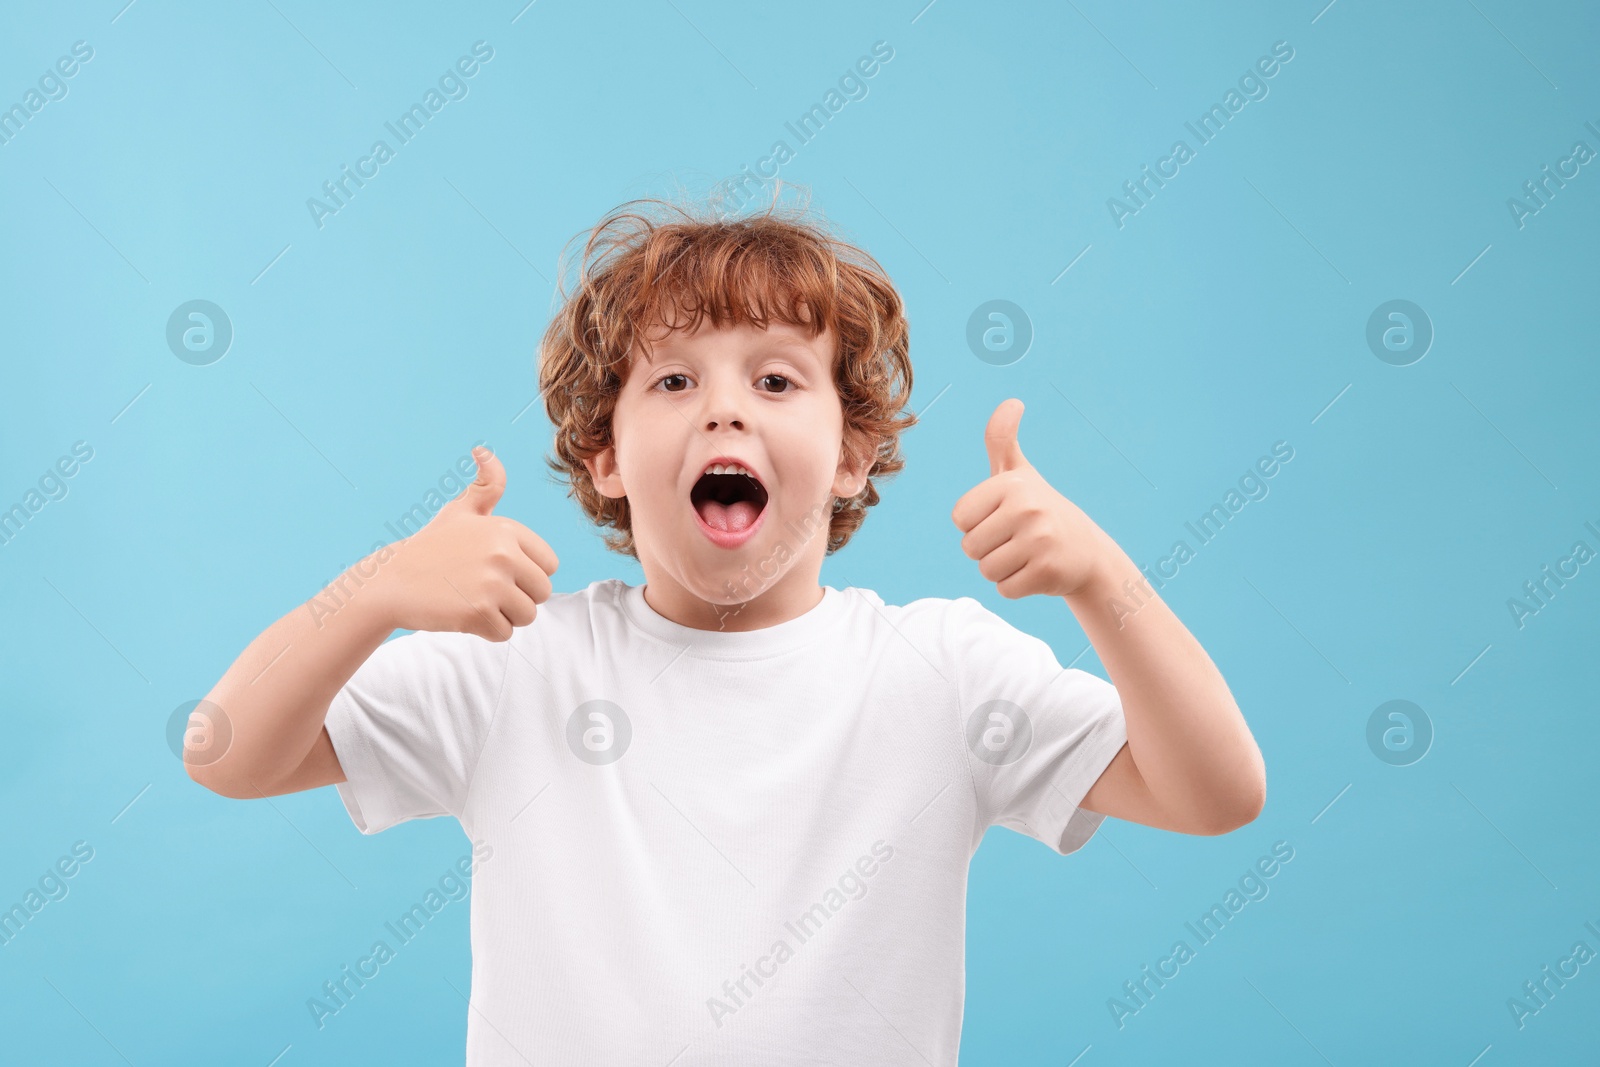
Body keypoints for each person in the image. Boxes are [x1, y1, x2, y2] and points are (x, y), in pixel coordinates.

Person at [188, 193, 1266, 1065]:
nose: (725, 409)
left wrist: (1103, 581)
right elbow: (225, 751)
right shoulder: (517, 667)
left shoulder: (940, 667)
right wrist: (374, 589)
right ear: (604, 457)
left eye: (777, 378)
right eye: (671, 379)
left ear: (850, 452)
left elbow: (1214, 792)